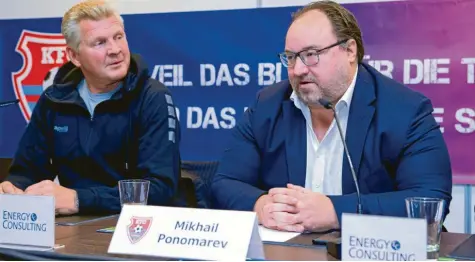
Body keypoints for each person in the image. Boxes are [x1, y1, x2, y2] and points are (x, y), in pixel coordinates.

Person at [212, 0, 452, 233]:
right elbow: (224, 183)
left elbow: (431, 201)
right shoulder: (267, 105)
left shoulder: (406, 110)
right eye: (291, 57)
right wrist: (262, 206)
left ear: (349, 50)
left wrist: (335, 212)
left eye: (311, 54)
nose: (297, 70)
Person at [0, 0, 181, 215]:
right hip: (70, 229)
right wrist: (14, 189)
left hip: (133, 228)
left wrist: (78, 199)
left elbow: (159, 189)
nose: (115, 50)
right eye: (100, 43)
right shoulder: (54, 100)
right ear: (74, 56)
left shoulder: (153, 97)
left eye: (118, 37)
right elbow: (26, 170)